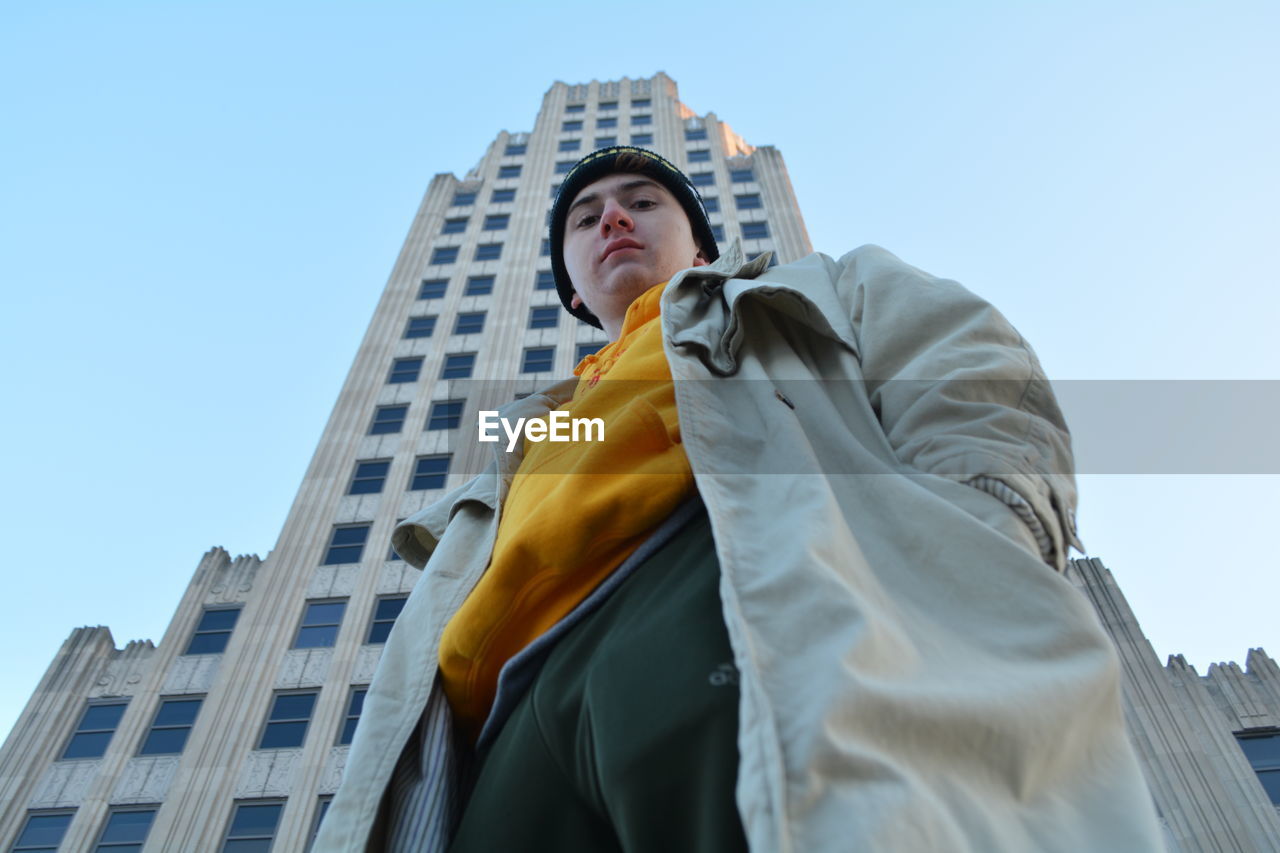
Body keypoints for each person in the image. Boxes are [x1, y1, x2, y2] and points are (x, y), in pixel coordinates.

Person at [316, 147, 1165, 852]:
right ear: (573, 291)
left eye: (641, 202)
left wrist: (976, 544)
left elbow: (972, 380)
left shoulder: (817, 290)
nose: (612, 217)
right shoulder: (536, 427)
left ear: (697, 244)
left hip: (704, 604)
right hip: (495, 729)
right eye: (586, 217)